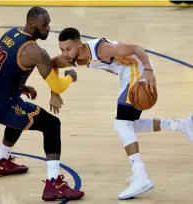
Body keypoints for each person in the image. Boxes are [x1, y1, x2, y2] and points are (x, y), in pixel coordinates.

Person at [50, 27, 193, 200]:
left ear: (79, 46)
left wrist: (148, 70)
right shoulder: (73, 58)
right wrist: (54, 92)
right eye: (62, 49)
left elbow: (136, 48)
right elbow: (52, 64)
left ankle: (140, 175)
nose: (65, 54)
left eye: (68, 49)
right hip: (127, 73)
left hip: (138, 70)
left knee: (121, 124)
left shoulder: (102, 50)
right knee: (128, 125)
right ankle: (182, 125)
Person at [0, 8, 84, 201]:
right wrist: (70, 78)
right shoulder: (35, 51)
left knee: (22, 109)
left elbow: (4, 67)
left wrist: (21, 86)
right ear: (32, 24)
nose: (48, 29)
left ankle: (1, 162)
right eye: (44, 25)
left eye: (49, 24)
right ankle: (53, 184)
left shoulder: (11, 34)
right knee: (51, 124)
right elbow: (57, 84)